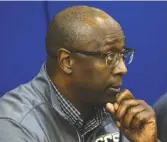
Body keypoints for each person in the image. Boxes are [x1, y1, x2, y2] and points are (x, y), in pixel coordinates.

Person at [0, 5, 159, 142]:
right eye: (109, 56)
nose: (123, 69)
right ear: (67, 61)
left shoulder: (116, 112)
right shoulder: (15, 125)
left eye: (122, 55)